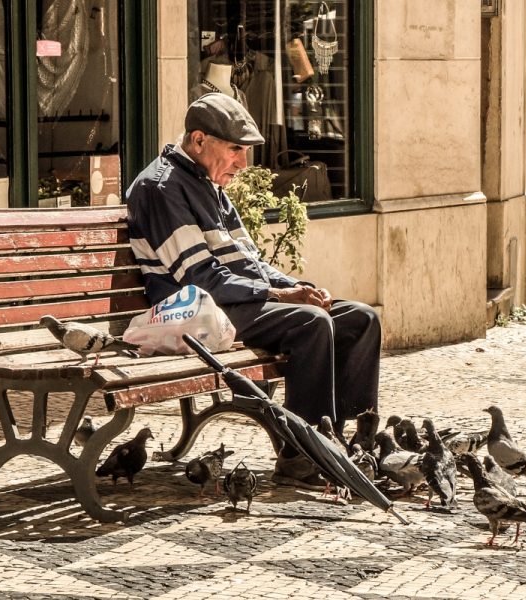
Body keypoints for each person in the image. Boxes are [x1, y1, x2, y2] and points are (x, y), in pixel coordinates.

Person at [125, 93, 381, 490]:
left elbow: (248, 262)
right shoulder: (163, 188)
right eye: (235, 150)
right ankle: (301, 457)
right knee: (309, 324)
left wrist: (293, 286)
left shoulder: (207, 182)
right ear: (198, 140)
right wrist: (280, 297)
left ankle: (345, 443)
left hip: (227, 304)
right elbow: (199, 278)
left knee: (360, 318)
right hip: (192, 314)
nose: (242, 164)